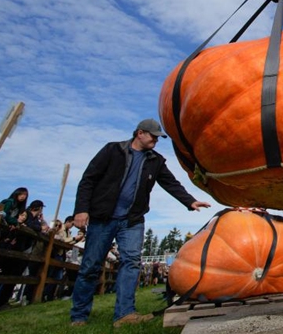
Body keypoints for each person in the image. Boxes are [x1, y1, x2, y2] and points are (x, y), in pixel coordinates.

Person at [69, 118, 211, 328]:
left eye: (158, 137)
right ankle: (79, 315)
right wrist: (81, 210)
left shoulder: (156, 160)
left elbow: (171, 184)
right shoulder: (113, 150)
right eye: (153, 136)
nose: (156, 140)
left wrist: (190, 201)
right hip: (103, 217)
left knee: (132, 262)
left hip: (132, 220)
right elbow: (88, 179)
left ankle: (124, 313)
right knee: (91, 265)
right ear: (140, 133)